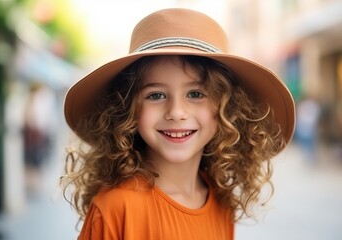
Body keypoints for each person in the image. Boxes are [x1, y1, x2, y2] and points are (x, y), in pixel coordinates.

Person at [61, 8, 295, 239]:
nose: (176, 112)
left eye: (195, 94)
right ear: (127, 109)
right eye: (156, 95)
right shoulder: (116, 208)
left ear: (227, 107)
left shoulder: (221, 203)